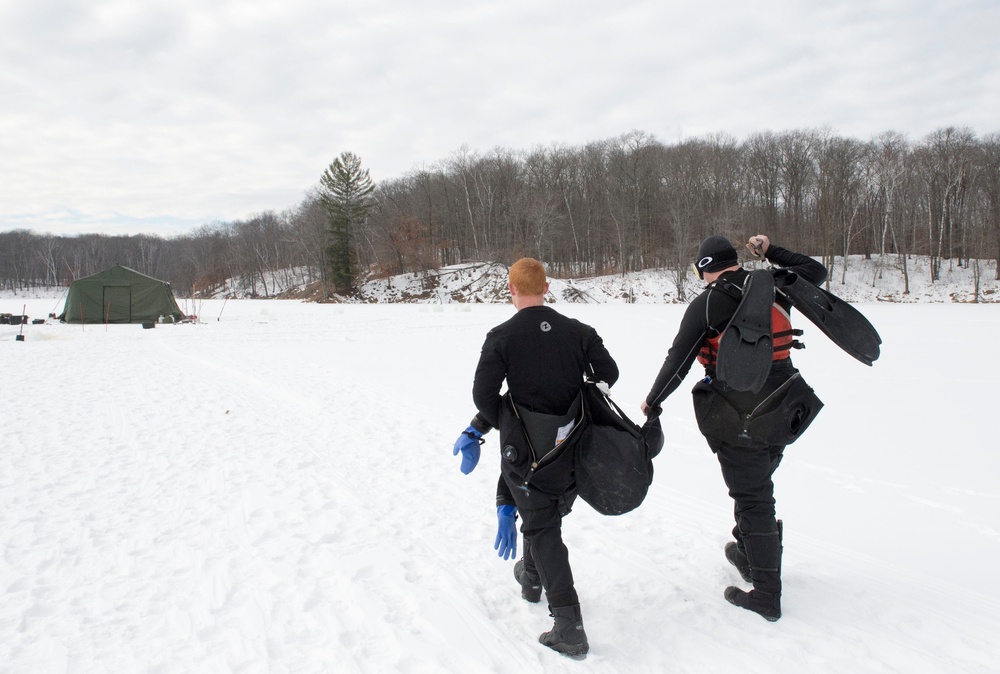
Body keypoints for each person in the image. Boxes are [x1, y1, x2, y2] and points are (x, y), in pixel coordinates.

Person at [640, 234, 827, 622]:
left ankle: (766, 594)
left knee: (755, 496)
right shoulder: (773, 285)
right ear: (735, 260)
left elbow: (679, 360)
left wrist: (653, 400)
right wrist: (772, 250)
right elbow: (816, 272)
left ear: (701, 268)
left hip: (737, 412)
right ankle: (748, 551)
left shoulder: (707, 303)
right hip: (786, 405)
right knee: (756, 482)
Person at [452, 257, 619, 658]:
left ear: (511, 289)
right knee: (542, 510)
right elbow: (608, 373)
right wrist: (575, 399)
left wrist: (504, 423)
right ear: (547, 288)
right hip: (570, 444)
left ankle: (569, 626)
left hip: (525, 449)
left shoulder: (501, 336)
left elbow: (483, 395)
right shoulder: (580, 332)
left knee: (542, 526)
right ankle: (530, 577)